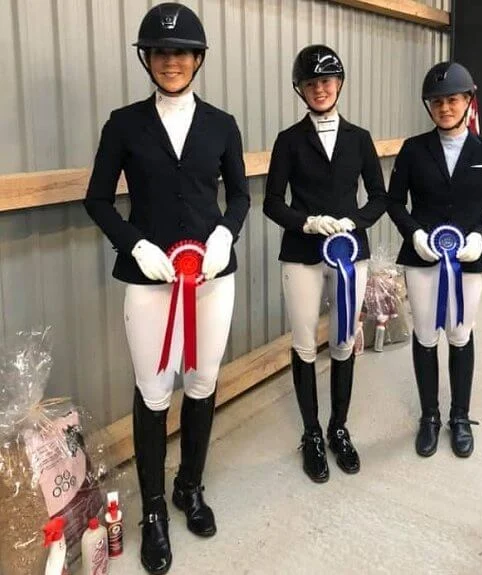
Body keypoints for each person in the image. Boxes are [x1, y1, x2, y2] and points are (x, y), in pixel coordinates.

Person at [84, 3, 249, 573]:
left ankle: (190, 487)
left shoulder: (222, 124)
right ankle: (153, 509)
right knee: (154, 390)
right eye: (160, 52)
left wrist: (228, 234)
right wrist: (134, 244)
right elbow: (98, 199)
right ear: (148, 60)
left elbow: (242, 196)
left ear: (197, 59)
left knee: (202, 382)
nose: (171, 61)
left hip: (210, 278)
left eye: (180, 53)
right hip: (150, 278)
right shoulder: (123, 123)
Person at [263, 45, 386, 483]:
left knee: (343, 339)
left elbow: (379, 195)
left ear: (339, 84)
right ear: (301, 89)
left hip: (350, 254)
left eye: (327, 81)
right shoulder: (289, 140)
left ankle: (339, 427)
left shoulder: (360, 138)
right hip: (303, 254)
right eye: (311, 83)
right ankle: (311, 433)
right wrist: (308, 222)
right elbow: (272, 203)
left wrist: (355, 221)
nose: (320, 88)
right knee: (302, 342)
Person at [387, 62, 482, 458]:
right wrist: (415, 234)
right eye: (436, 102)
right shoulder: (413, 149)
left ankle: (459, 416)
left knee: (460, 335)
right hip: (422, 259)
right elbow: (394, 201)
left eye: (452, 100)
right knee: (425, 335)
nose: (444, 108)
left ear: (467, 101)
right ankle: (429, 416)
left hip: (467, 261)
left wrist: (481, 237)